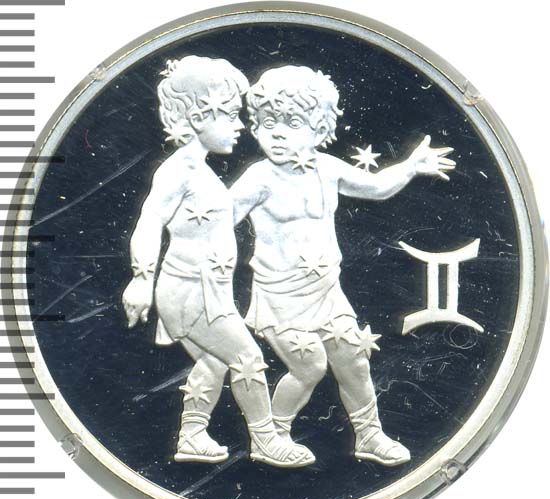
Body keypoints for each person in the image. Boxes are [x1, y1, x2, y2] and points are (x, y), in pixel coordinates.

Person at [229, 66, 456, 465]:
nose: (277, 133)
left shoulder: (328, 169)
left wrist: (409, 166)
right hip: (280, 296)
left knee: (354, 358)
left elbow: (376, 187)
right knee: (309, 366)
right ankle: (272, 436)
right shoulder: (257, 178)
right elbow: (218, 220)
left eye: (292, 123)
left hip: (326, 291)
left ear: (319, 129)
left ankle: (368, 434)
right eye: (267, 123)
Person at [122, 57, 314, 468]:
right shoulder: (179, 170)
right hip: (191, 289)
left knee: (214, 361)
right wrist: (140, 278)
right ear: (197, 118)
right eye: (229, 115)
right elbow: (149, 220)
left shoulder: (200, 170)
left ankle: (192, 434)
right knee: (247, 359)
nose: (240, 125)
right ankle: (265, 440)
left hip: (208, 289)